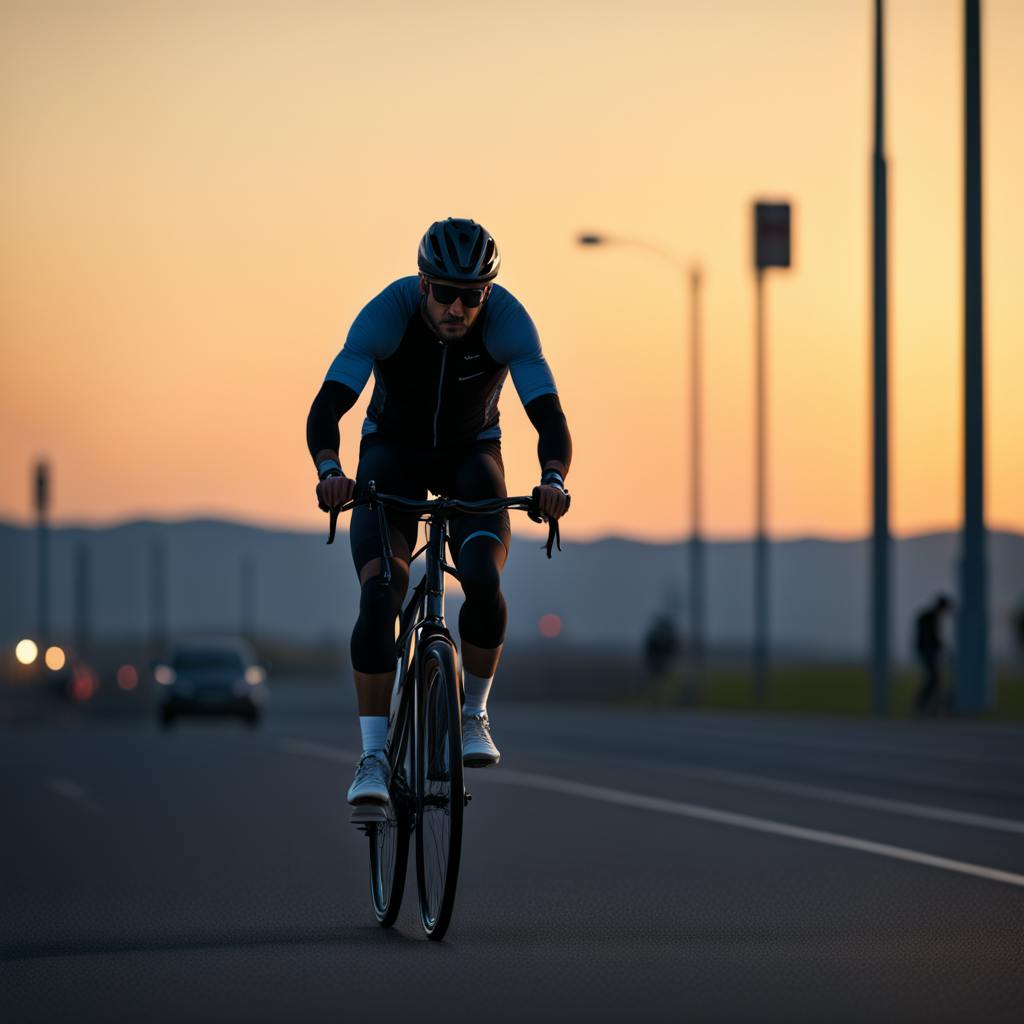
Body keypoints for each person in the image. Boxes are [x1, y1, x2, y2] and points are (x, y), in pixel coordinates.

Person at [306, 218, 572, 805]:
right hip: (391, 455)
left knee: (483, 579)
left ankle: (473, 713)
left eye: (471, 296)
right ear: (423, 284)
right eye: (446, 292)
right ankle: (372, 758)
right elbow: (328, 405)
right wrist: (330, 471)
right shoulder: (387, 314)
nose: (457, 307)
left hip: (470, 455)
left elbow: (549, 416)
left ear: (487, 293)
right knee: (381, 594)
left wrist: (553, 479)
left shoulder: (509, 322)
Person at [913, 594, 952, 716]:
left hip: (926, 651)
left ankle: (927, 706)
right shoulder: (930, 617)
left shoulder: (928, 616)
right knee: (934, 679)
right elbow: (933, 637)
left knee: (934, 679)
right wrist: (943, 649)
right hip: (927, 651)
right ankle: (922, 705)